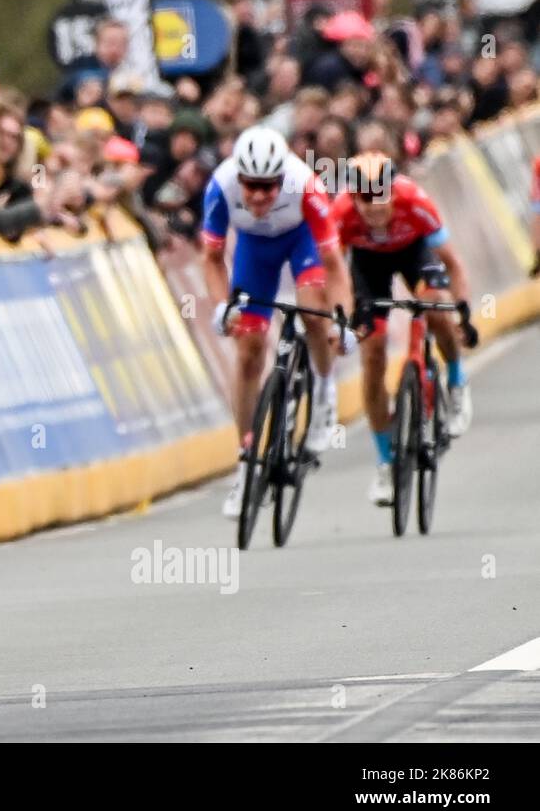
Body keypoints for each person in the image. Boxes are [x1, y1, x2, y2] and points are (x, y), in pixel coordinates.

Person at [203, 126, 355, 518]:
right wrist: (222, 307)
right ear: (239, 178)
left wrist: (343, 319)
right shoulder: (219, 187)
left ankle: (323, 388)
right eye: (250, 186)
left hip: (301, 241)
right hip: (254, 252)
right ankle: (247, 461)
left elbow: (335, 264)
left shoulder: (305, 185)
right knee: (250, 351)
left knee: (311, 311)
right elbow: (212, 258)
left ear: (281, 179)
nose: (257, 196)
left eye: (267, 187)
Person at [334, 153, 474, 504]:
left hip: (415, 255)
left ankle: (456, 380)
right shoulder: (341, 215)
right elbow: (332, 273)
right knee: (373, 355)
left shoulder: (416, 202)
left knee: (435, 310)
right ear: (353, 196)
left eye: (381, 196)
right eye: (365, 199)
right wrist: (340, 318)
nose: (374, 208)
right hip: (367, 268)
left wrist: (464, 314)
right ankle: (385, 462)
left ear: (394, 192)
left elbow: (454, 265)